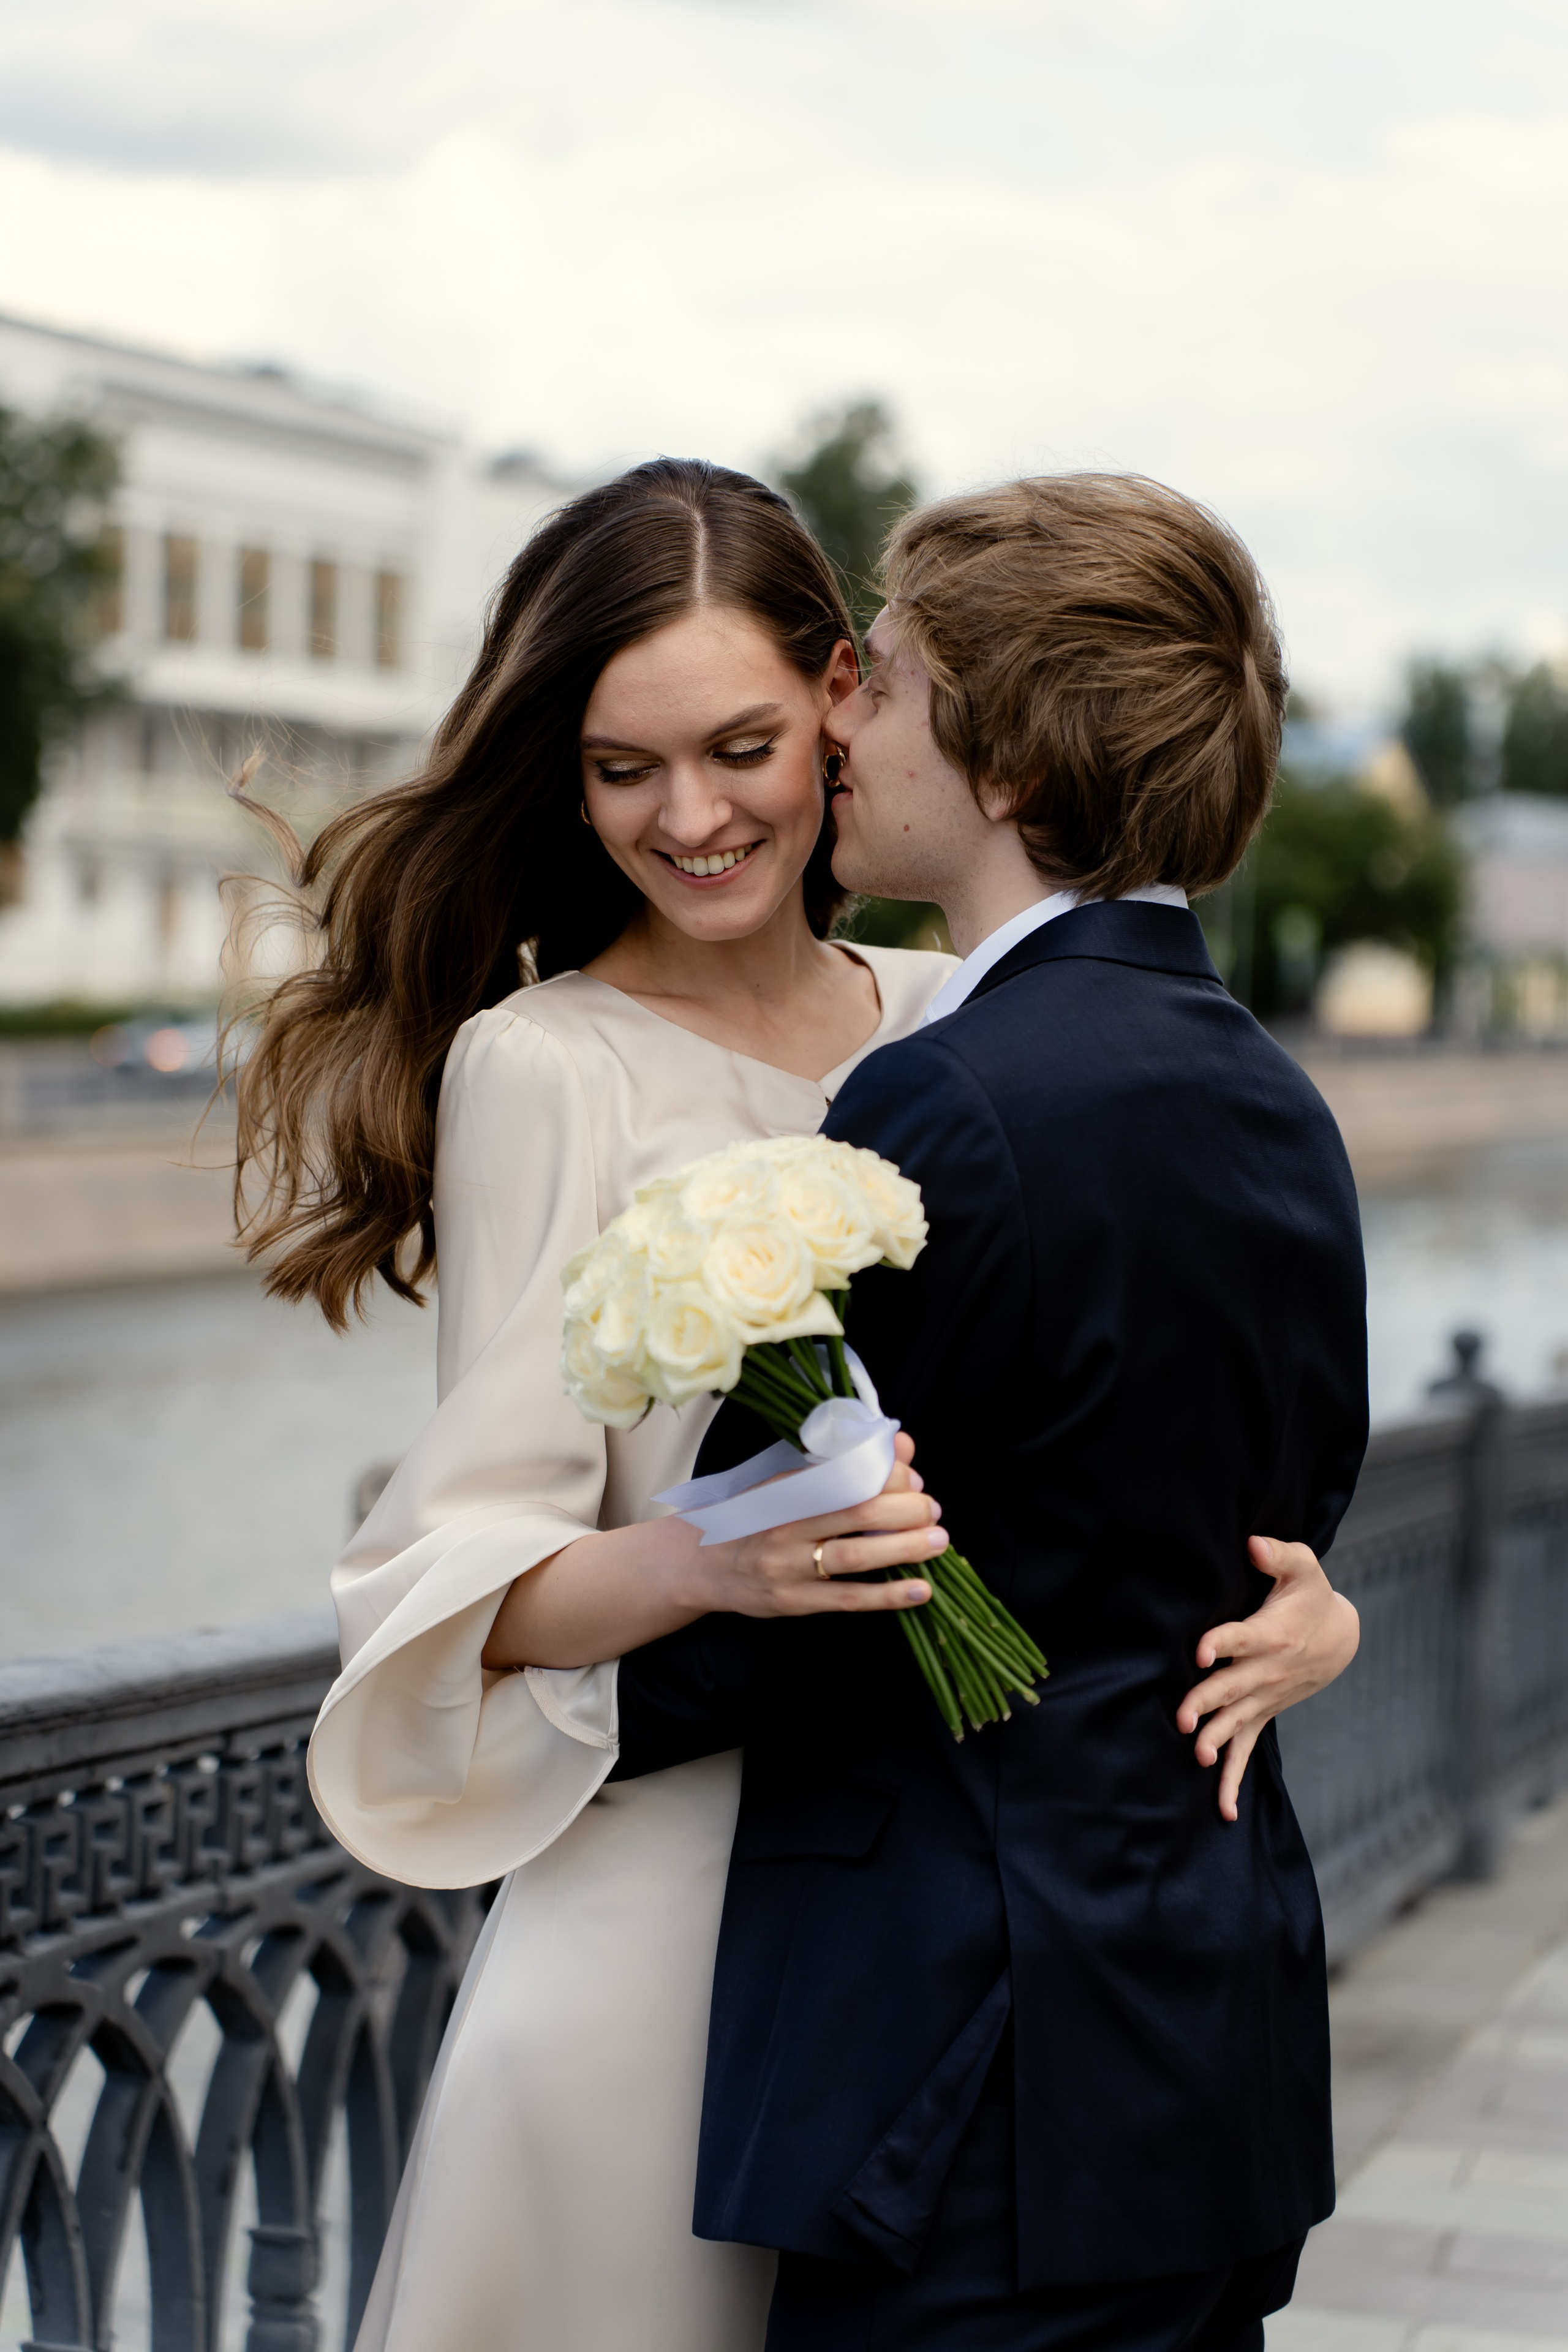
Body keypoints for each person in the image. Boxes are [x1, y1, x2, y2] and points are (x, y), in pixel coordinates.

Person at [254, 461, 1356, 2352]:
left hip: (949, 1952)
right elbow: (468, 1574)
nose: (692, 816)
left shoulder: (962, 1023)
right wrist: (701, 1561)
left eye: (747, 742)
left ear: (848, 700)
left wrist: (1305, 1601)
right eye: (621, 769)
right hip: (671, 1924)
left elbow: (1134, 1435)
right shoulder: (543, 1068)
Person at [596, 475, 1372, 2350]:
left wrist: (516, 1663)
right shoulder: (1283, 1108)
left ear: (1011, 758)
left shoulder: (950, 1108)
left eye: (900, 682)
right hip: (1207, 2049)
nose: (849, 717)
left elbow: (796, 1574)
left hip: (971, 2089)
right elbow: (1265, 1530)